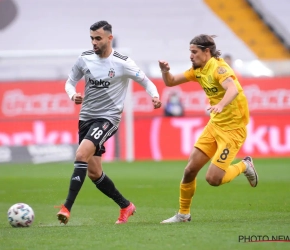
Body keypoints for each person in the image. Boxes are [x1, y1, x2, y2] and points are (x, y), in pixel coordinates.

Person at [56, 20, 162, 225]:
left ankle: (66, 207)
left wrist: (155, 96)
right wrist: (72, 95)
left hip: (108, 118)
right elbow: (69, 82)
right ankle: (125, 205)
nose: (94, 42)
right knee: (94, 172)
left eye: (98, 38)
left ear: (109, 38)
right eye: (92, 38)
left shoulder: (122, 62)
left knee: (80, 154)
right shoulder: (84, 59)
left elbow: (146, 81)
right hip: (86, 117)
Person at [158, 34, 258, 223]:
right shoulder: (198, 70)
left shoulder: (219, 68)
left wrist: (220, 105)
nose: (191, 56)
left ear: (206, 51)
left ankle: (245, 165)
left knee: (213, 179)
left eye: (194, 52)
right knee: (189, 170)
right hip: (215, 125)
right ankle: (183, 214)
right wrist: (164, 71)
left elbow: (232, 89)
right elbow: (170, 81)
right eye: (190, 52)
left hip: (233, 130)